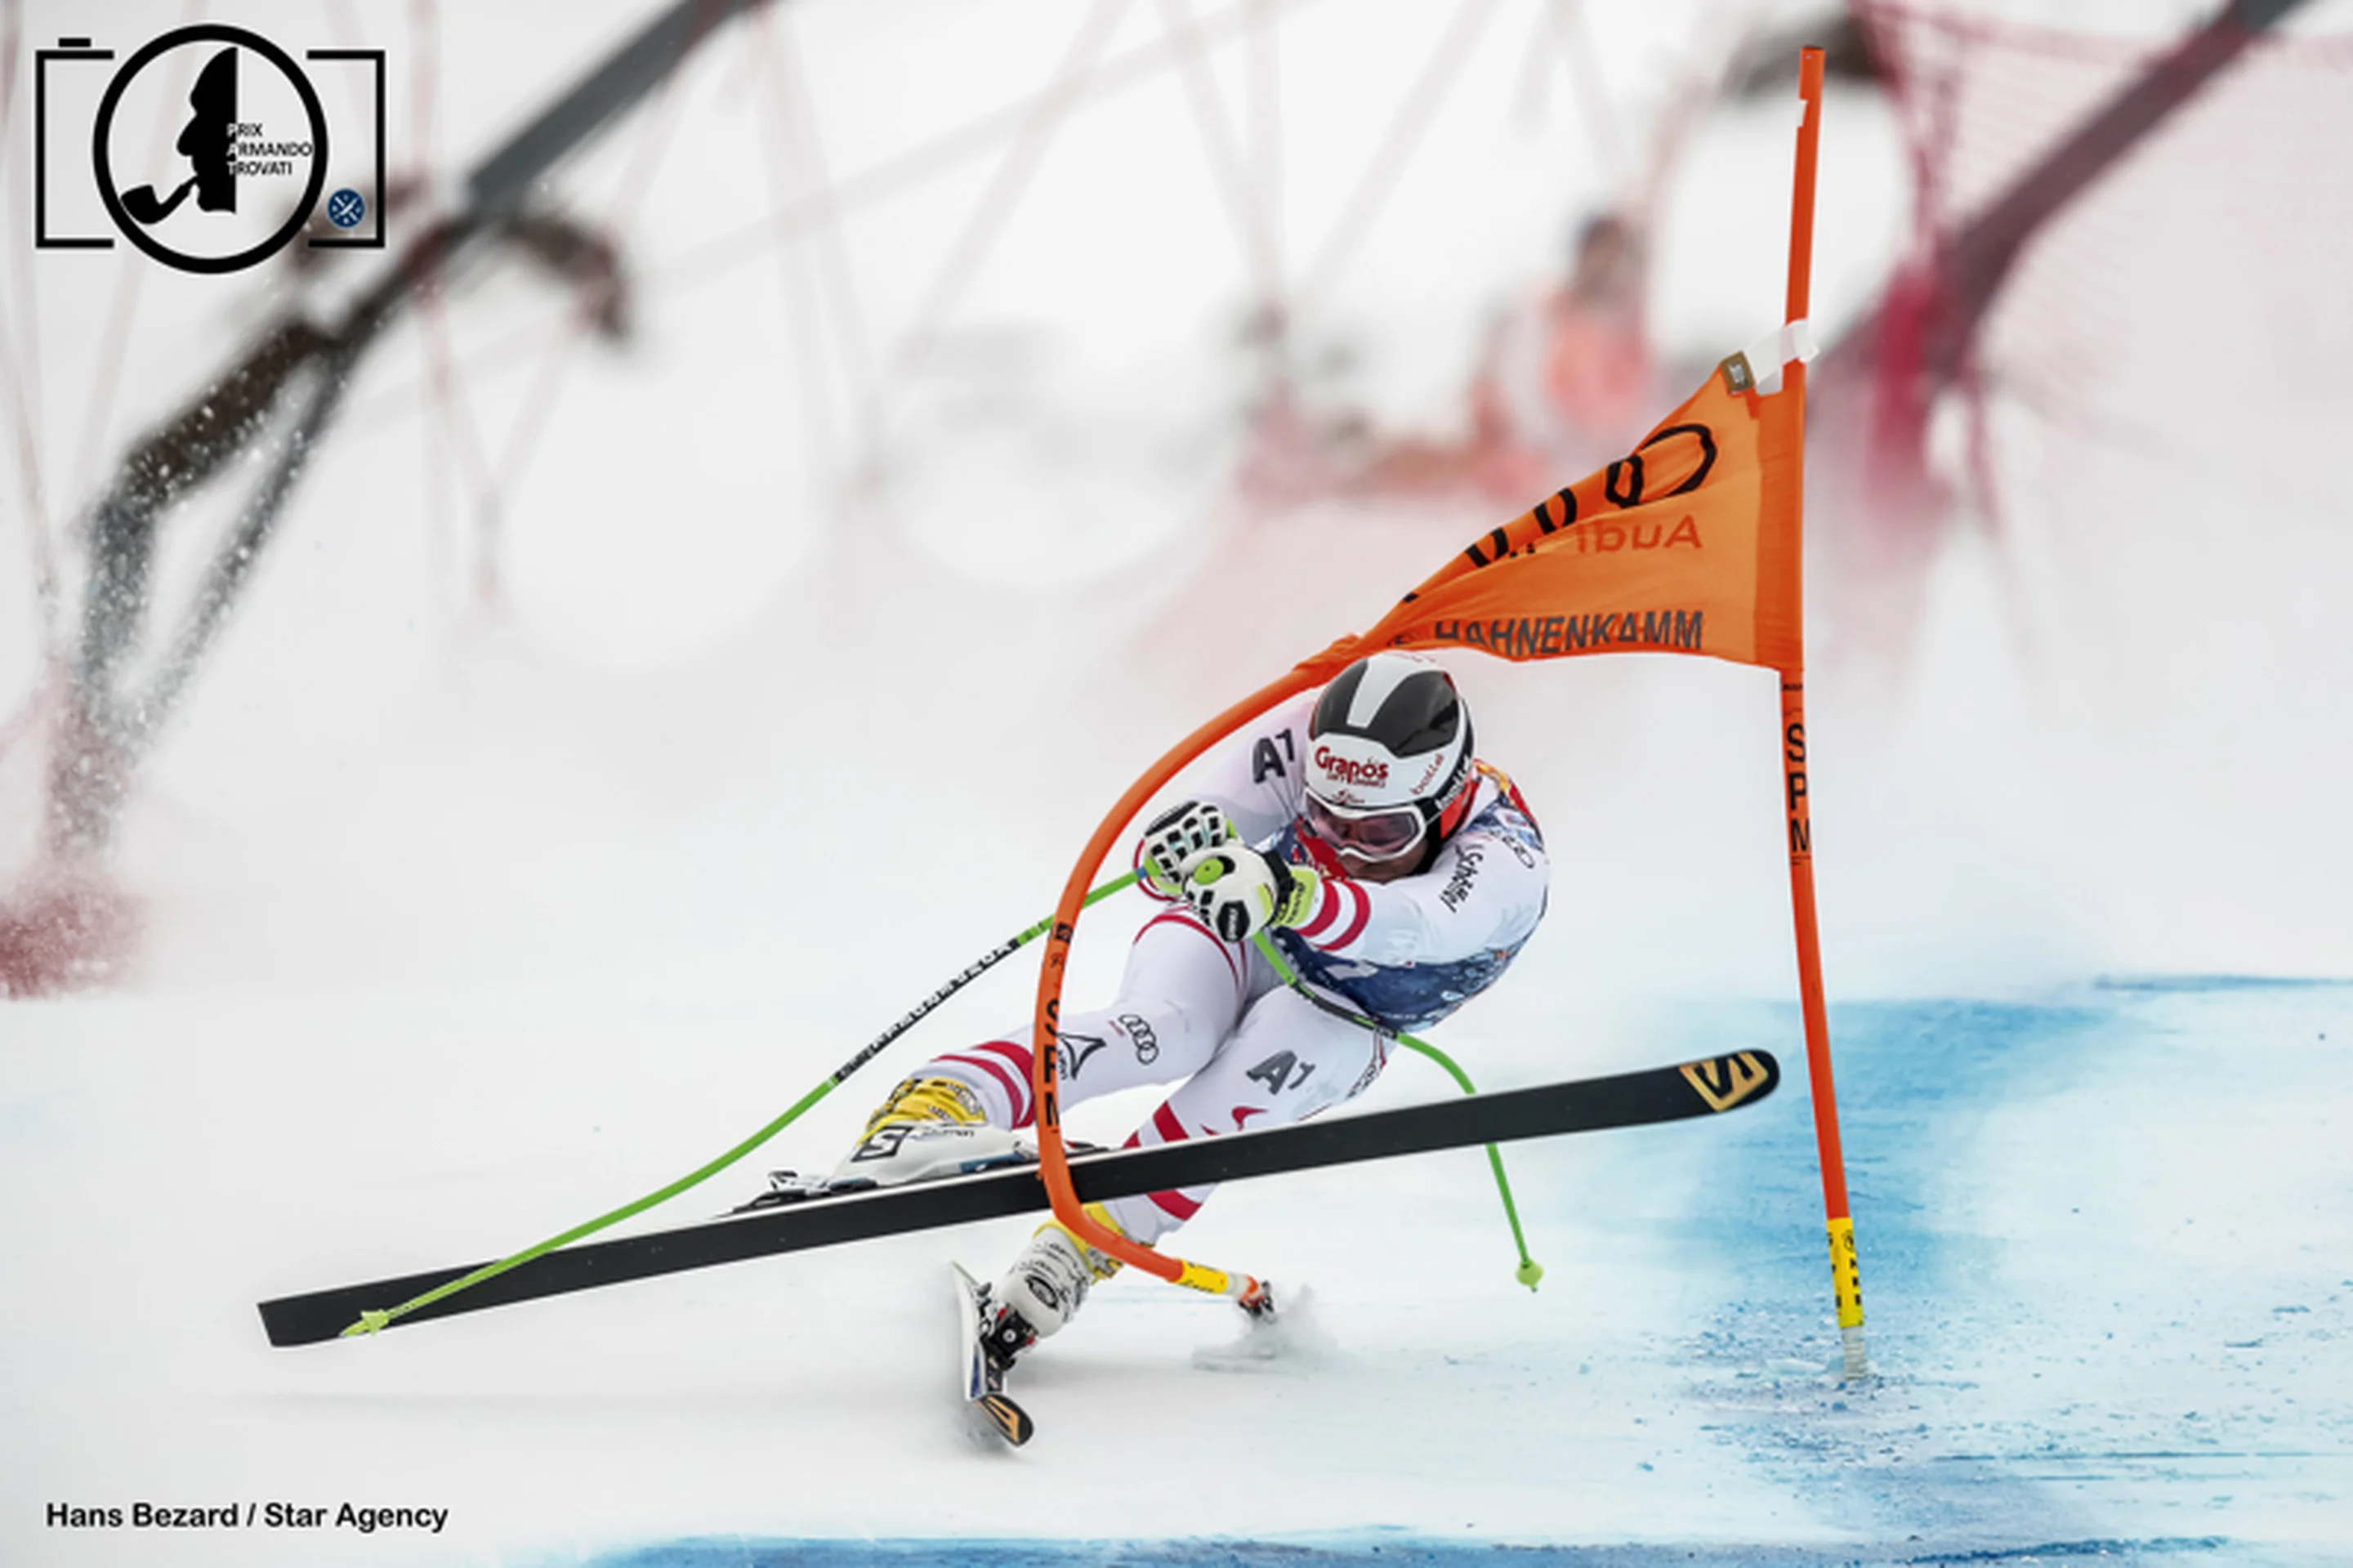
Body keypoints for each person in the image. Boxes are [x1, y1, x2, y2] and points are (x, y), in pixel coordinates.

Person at [828, 651, 1550, 1374]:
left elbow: (1415, 923)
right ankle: (939, 1103)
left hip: (1354, 1012)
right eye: (1326, 818)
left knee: (1264, 1064)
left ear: (1447, 801)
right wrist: (1181, 850)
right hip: (1252, 925)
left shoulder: (1507, 858)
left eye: (1384, 834)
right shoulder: (1304, 738)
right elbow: (1174, 844)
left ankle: (1068, 1259)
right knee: (1166, 1029)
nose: (1349, 849)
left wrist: (1291, 888)